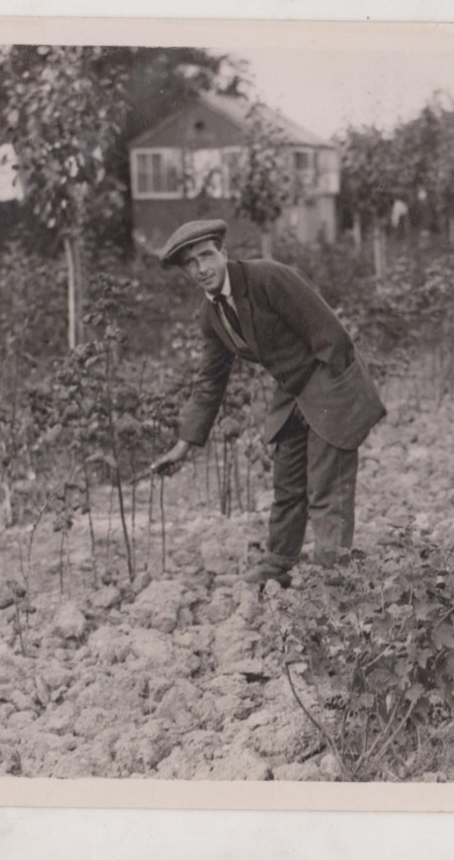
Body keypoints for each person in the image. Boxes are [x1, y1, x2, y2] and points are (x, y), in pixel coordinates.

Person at [148, 219, 386, 585]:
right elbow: (210, 380)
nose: (201, 269)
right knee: (287, 485)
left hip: (327, 384)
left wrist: (335, 405)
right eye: (190, 264)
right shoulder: (211, 315)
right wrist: (184, 445)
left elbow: (331, 336)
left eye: (206, 256)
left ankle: (336, 584)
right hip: (291, 392)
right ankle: (277, 565)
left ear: (223, 253)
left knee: (327, 491)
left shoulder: (267, 278)